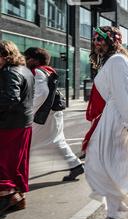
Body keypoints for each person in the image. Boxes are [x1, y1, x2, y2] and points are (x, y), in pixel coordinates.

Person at [82, 26, 128, 219]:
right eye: (95, 39)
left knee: (105, 164)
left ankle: (117, 214)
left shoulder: (117, 61)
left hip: (116, 120)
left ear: (114, 41)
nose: (97, 43)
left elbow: (125, 96)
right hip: (113, 117)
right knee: (117, 162)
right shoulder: (113, 61)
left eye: (101, 39)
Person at [24, 47, 84, 181]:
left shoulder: (37, 72)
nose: (25, 61)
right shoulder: (47, 71)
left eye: (27, 58)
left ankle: (16, 176)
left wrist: (27, 109)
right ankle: (75, 166)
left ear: (35, 60)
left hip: (43, 115)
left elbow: (41, 94)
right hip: (52, 113)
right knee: (57, 141)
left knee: (25, 143)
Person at [0, 40, 35, 214]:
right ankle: (17, 197)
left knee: (4, 163)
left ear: (4, 56)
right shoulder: (25, 70)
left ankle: (7, 195)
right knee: (17, 163)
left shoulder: (8, 72)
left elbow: (10, 99)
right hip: (23, 123)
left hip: (9, 124)